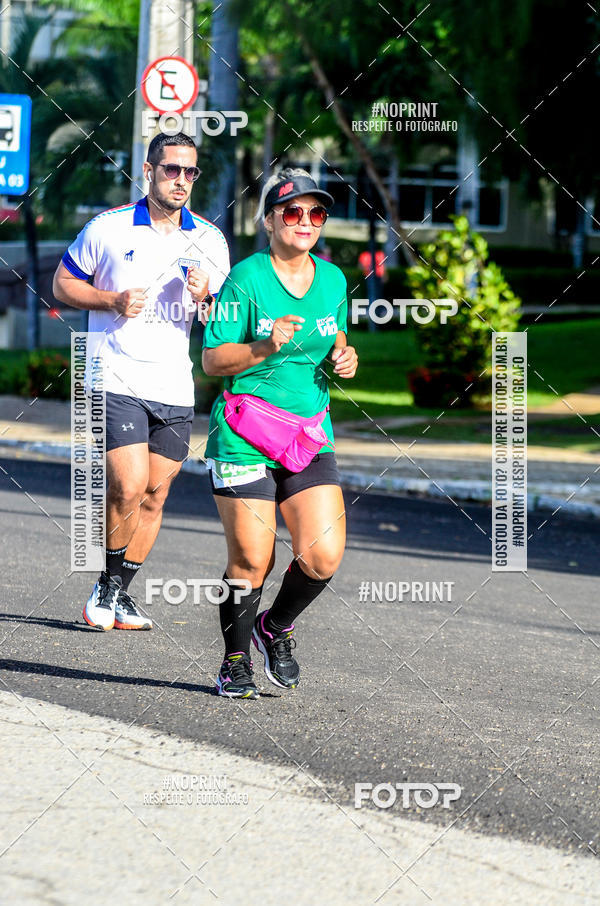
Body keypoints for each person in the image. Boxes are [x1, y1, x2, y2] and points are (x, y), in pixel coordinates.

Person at [53, 132, 230, 631]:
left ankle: (118, 593)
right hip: (112, 374)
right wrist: (110, 301)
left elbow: (221, 321)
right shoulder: (107, 229)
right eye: (171, 169)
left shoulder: (210, 240)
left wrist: (206, 299)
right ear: (148, 171)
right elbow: (62, 284)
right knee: (128, 486)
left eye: (189, 172)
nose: (181, 180)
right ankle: (105, 589)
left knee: (155, 494)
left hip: (174, 385)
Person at [202, 167, 358, 698]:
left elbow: (334, 337)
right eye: (293, 212)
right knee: (254, 559)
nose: (306, 221)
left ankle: (276, 627)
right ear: (269, 220)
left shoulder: (334, 280)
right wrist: (264, 346)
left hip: (309, 433)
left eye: (317, 213)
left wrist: (344, 355)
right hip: (244, 434)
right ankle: (235, 660)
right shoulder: (245, 279)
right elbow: (212, 359)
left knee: (323, 554)